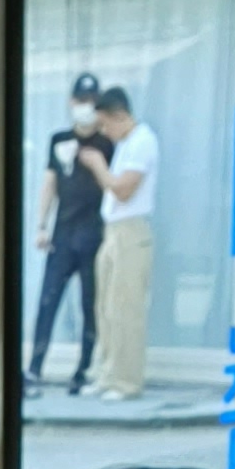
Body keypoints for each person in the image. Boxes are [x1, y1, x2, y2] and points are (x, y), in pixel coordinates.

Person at [33, 72, 109, 393]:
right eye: (81, 100)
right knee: (48, 300)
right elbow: (49, 183)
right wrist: (41, 225)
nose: (85, 106)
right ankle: (34, 367)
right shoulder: (59, 139)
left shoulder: (107, 143)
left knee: (90, 304)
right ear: (71, 102)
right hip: (62, 233)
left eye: (91, 101)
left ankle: (84, 369)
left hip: (94, 233)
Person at [88, 88, 159, 401]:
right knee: (106, 307)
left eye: (105, 124)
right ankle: (107, 374)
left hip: (132, 231)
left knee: (126, 309)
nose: (105, 132)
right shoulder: (126, 144)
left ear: (119, 116)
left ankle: (127, 381)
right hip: (112, 230)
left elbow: (123, 189)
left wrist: (97, 165)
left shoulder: (144, 141)